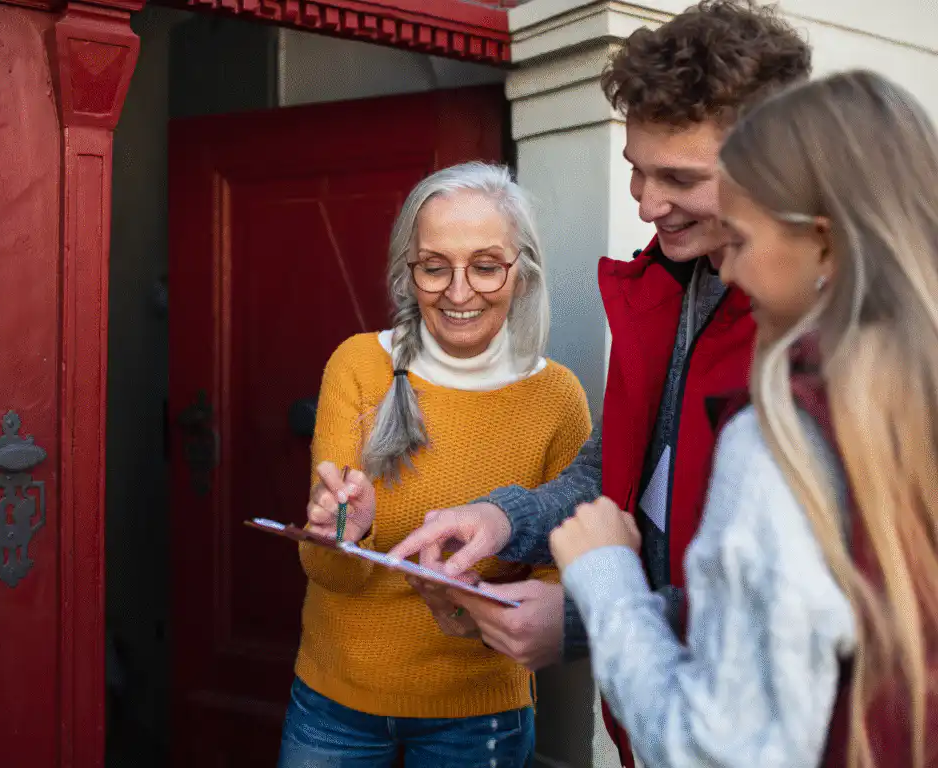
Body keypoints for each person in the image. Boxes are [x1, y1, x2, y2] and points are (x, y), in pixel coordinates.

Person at [390, 2, 811, 763]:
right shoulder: (670, 283)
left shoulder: (817, 330)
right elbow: (623, 468)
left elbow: (807, 606)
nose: (646, 206)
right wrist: (501, 518)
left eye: (679, 177)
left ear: (776, 163)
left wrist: (587, 615)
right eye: (636, 172)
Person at [551, 69, 938, 768]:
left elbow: (712, 749)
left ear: (822, 243)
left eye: (746, 236)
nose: (731, 271)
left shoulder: (779, 441)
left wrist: (605, 584)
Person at [277, 162, 592, 767]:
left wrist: (484, 607)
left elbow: (561, 577)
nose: (458, 291)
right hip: (335, 699)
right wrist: (346, 531)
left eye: (485, 265)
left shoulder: (558, 399)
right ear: (409, 274)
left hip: (480, 714)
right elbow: (330, 571)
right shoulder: (357, 367)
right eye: (434, 266)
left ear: (521, 274)